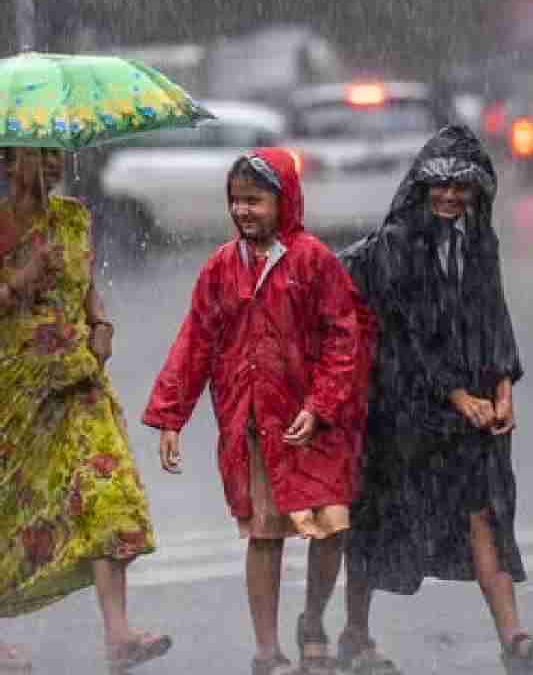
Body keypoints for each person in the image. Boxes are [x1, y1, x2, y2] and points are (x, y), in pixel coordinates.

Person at [337, 125, 533, 675]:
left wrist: (503, 389)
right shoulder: (396, 245)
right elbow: (406, 331)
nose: (449, 197)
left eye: (461, 187)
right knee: (379, 519)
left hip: (471, 409)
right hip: (401, 408)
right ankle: (355, 635)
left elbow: (493, 320)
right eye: (438, 186)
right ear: (420, 187)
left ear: (477, 192)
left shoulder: (477, 242)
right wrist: (457, 395)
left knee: (485, 514)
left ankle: (514, 640)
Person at [143, 148, 374, 675]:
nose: (244, 210)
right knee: (265, 535)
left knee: (330, 528)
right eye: (236, 200)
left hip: (316, 425)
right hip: (254, 424)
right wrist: (170, 415)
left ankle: (312, 618)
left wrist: (321, 405)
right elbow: (195, 341)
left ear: (284, 199)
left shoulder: (314, 260)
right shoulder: (221, 268)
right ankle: (267, 652)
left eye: (256, 199)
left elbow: (345, 339)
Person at [0, 147, 170, 672]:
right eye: (39, 155)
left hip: (76, 377)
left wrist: (102, 327)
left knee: (107, 487)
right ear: (9, 164)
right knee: (3, 506)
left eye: (58, 154)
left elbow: (88, 293)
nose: (52, 163)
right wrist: (19, 282)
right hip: (10, 390)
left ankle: (118, 634)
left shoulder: (75, 218)